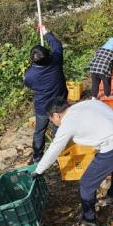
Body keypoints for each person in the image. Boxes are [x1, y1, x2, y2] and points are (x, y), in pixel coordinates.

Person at [33, 97, 113, 226]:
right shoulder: (87, 103)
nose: (53, 123)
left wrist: (38, 170)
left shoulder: (68, 123)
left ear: (57, 115)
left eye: (52, 120)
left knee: (86, 183)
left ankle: (89, 221)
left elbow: (54, 149)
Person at [23, 25, 68, 163]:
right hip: (58, 104)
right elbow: (57, 45)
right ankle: (59, 154)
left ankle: (38, 157)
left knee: (39, 132)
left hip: (42, 107)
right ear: (48, 54)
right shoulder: (56, 60)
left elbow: (29, 85)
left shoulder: (30, 75)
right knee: (58, 129)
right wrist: (46, 32)